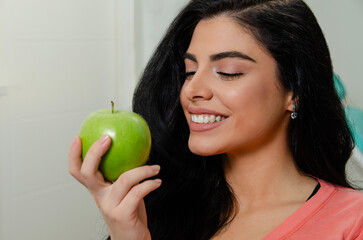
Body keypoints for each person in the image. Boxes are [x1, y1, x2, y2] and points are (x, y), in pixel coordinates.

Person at [68, 0, 363, 239]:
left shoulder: (352, 221)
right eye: (189, 71)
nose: (192, 90)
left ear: (294, 92)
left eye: (228, 71)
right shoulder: (162, 212)